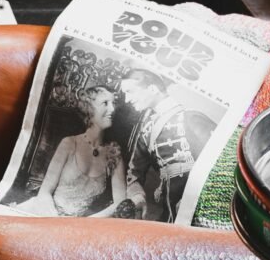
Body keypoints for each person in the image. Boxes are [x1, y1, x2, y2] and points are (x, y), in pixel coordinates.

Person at [120, 68, 216, 223]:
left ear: (152, 89)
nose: (126, 99)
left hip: (201, 205)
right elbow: (134, 173)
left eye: (130, 91)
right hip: (168, 210)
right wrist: (138, 197)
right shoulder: (147, 131)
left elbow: (217, 164)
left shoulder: (191, 117)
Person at [20, 85, 126, 217]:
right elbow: (45, 192)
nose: (112, 109)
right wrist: (55, 220)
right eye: (105, 103)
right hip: (45, 212)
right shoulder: (69, 143)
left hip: (81, 225)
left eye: (113, 103)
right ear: (89, 109)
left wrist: (84, 224)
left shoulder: (114, 153)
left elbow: (120, 203)